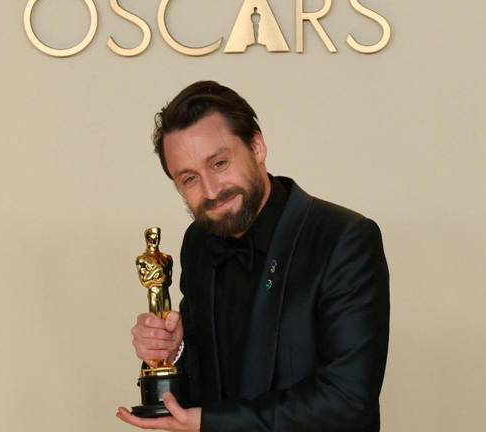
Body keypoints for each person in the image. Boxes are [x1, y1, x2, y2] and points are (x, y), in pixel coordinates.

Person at [117, 81, 390, 432]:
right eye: (189, 179)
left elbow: (347, 401)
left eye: (219, 163)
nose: (211, 191)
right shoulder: (198, 241)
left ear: (257, 146)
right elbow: (204, 376)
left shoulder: (344, 239)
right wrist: (172, 351)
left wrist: (213, 422)